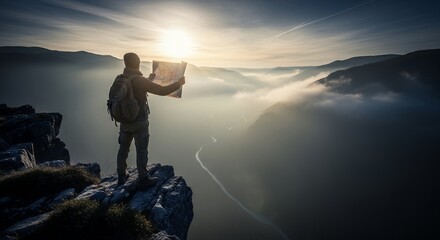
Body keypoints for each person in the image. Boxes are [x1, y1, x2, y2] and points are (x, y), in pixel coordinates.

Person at [116, 52, 185, 188]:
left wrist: (150, 78)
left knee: (123, 149)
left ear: (126, 63)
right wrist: (178, 83)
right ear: (138, 63)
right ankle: (143, 178)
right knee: (141, 150)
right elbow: (161, 90)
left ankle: (121, 176)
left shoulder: (121, 78)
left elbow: (135, 86)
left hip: (125, 121)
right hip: (139, 122)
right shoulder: (139, 81)